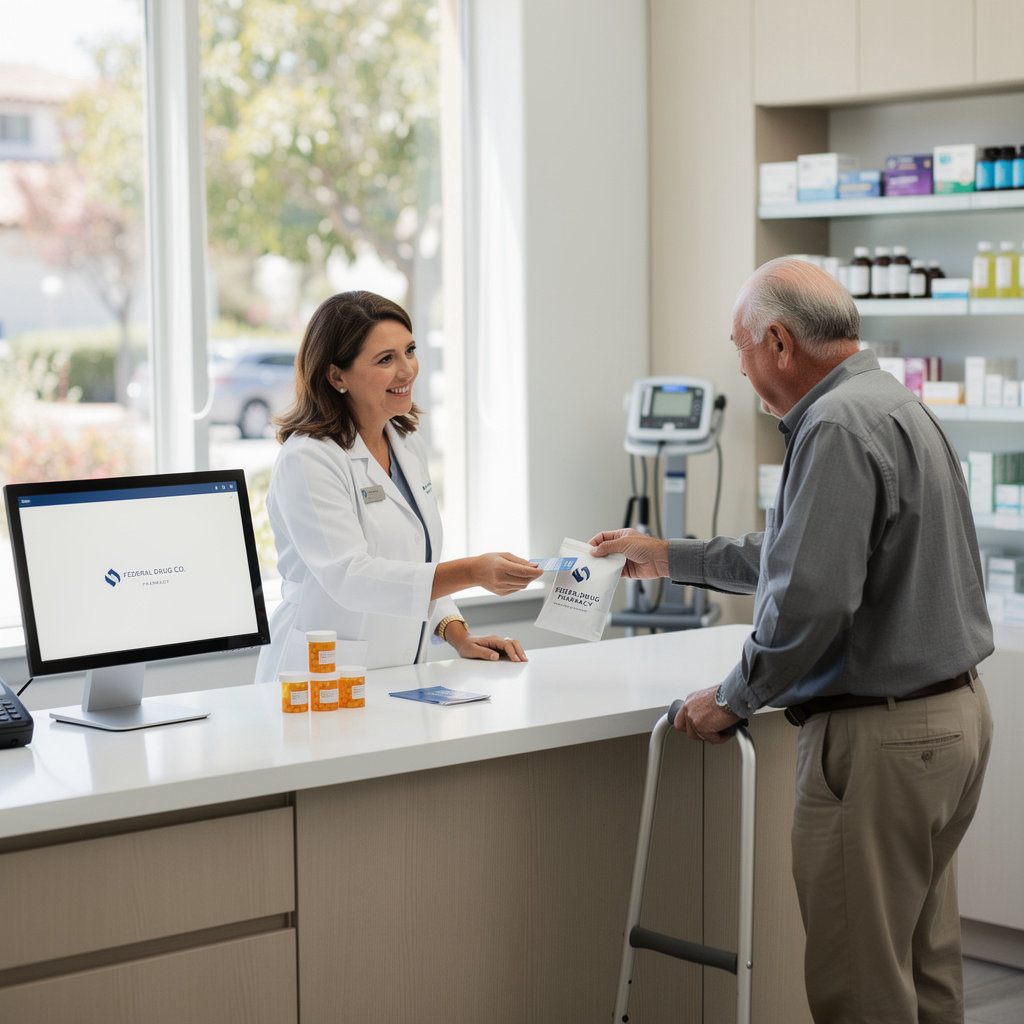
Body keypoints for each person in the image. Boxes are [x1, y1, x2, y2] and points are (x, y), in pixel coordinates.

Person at [590, 256, 994, 1024]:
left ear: (778, 341)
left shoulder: (834, 426)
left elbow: (809, 601)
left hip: (880, 741)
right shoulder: (890, 404)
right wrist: (668, 555)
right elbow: (799, 554)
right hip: (953, 723)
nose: (739, 369)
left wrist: (733, 699)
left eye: (739, 349)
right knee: (923, 966)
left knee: (861, 988)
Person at [255, 290, 542, 680]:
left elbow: (412, 565)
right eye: (385, 359)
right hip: (320, 680)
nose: (407, 370)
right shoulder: (309, 458)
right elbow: (351, 577)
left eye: (409, 350)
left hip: (398, 674)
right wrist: (473, 571)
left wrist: (458, 636)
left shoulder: (406, 443)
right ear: (337, 375)